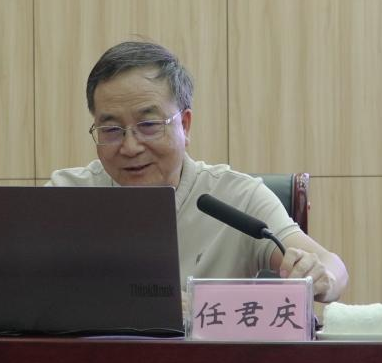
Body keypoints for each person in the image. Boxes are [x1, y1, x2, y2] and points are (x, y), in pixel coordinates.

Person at [48, 40, 348, 303]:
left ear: (185, 125)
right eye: (111, 129)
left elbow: (330, 264)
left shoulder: (237, 197)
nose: (130, 147)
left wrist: (321, 275)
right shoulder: (66, 197)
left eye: (149, 125)